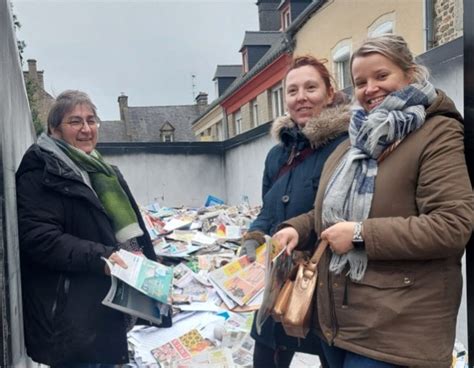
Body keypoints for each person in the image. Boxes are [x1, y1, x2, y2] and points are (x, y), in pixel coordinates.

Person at [274, 34, 473, 368]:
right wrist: (296, 228)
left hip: (397, 330)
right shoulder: (354, 142)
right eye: (360, 82)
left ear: (410, 74)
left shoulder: (436, 134)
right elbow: (329, 213)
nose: (370, 89)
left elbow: (452, 225)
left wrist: (359, 234)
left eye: (382, 76)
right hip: (340, 324)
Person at [16, 90, 158, 367]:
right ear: (54, 129)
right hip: (71, 318)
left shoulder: (101, 170)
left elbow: (129, 234)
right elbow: (39, 238)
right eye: (75, 122)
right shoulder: (42, 170)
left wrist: (152, 272)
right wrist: (101, 257)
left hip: (102, 309)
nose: (86, 129)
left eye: (91, 121)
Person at [240, 55, 350, 368]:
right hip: (281, 280)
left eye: (310, 88)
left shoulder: (345, 146)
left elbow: (342, 212)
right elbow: (269, 210)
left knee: (329, 359)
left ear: (329, 93)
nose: (300, 97)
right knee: (266, 358)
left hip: (324, 282)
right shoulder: (277, 154)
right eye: (292, 91)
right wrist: (254, 235)